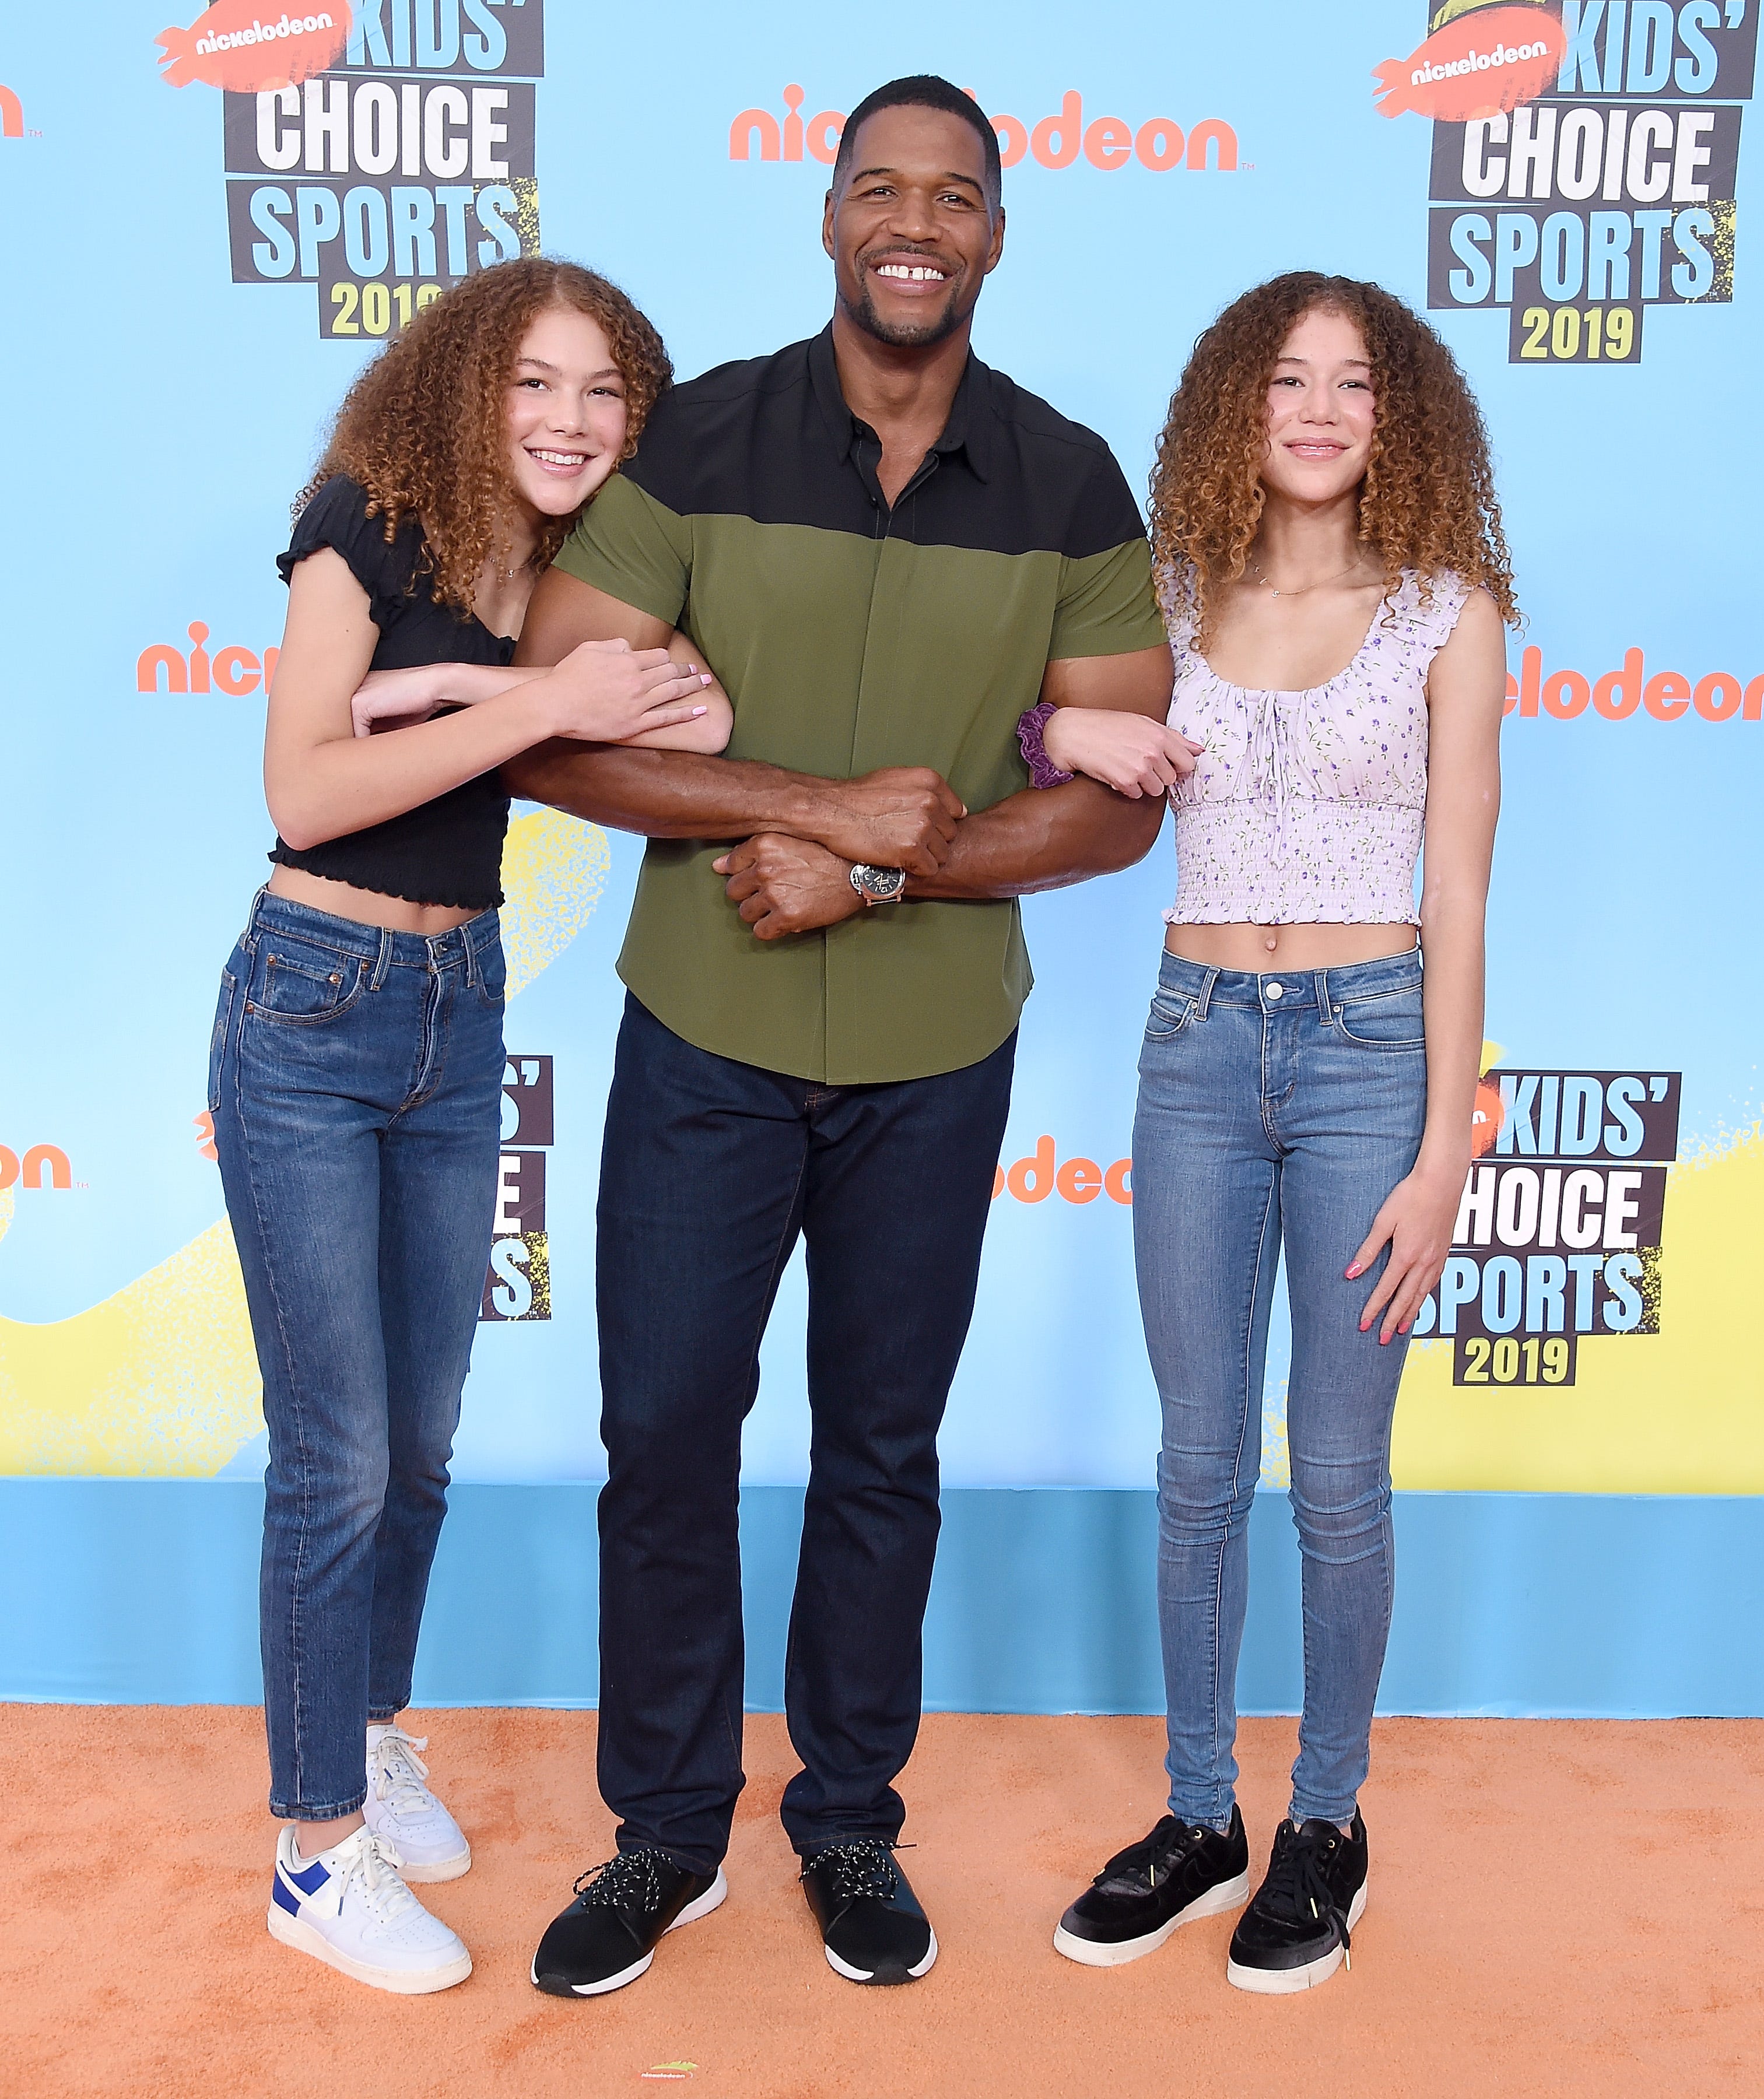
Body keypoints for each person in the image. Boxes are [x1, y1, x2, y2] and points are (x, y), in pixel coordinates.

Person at [503, 76, 1184, 1996]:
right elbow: (556, 727)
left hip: (932, 1058)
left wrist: (888, 869)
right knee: (662, 1436)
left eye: (951, 195)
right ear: (825, 217)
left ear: (992, 231)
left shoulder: (1068, 480)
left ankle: (847, 1826)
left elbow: (1121, 801)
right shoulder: (700, 436)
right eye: (878, 187)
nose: (914, 221)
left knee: (883, 1451)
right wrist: (819, 806)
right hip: (701, 1036)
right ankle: (662, 1836)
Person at [209, 257, 730, 1996]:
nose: (572, 422)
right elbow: (303, 787)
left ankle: (362, 1732)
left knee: (421, 1442)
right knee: (336, 1452)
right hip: (311, 1000)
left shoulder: (572, 572)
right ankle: (309, 1853)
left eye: (605, 394)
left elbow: (697, 716)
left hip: (461, 1007)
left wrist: (459, 701)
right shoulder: (362, 518)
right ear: (465, 389)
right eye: (537, 385)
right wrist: (527, 708)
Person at [1043, 274, 1511, 1992]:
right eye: (1288, 379)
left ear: (1401, 421)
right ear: (1239, 406)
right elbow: (1053, 744)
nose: (1317, 408)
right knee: (1192, 1464)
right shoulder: (1168, 596)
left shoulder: (1450, 614)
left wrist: (1445, 1152)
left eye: (1355, 384)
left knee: (1334, 1469)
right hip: (1191, 1042)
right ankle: (1196, 1813)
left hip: (1366, 1048)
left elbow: (1455, 893)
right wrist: (1048, 722)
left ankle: (1323, 1820)